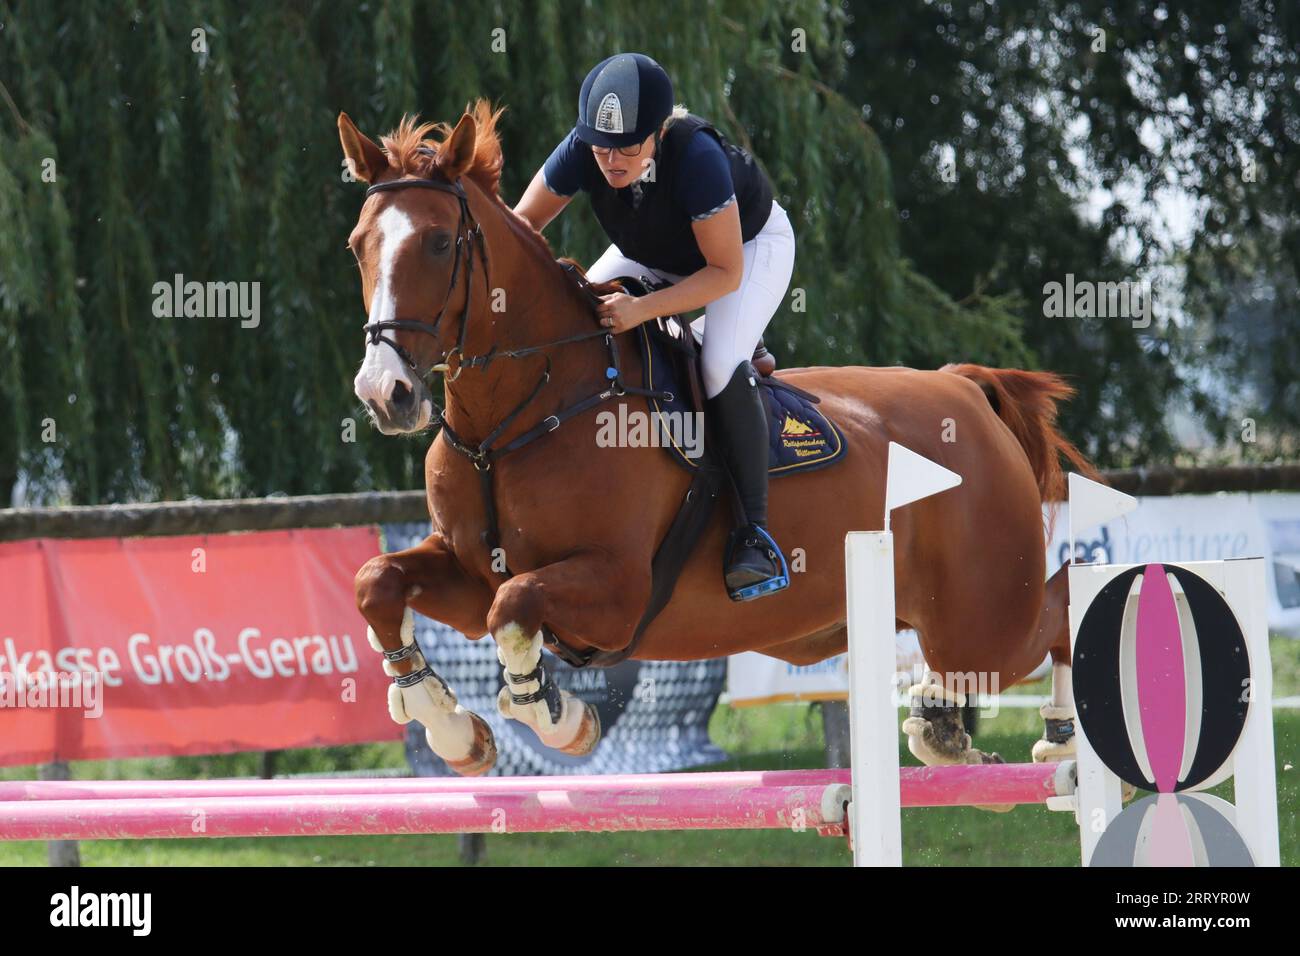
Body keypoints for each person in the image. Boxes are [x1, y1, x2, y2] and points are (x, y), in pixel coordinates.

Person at [515, 52, 796, 601]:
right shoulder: (583, 150)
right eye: (600, 148)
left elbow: (723, 271)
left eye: (627, 148)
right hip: (654, 251)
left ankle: (755, 535)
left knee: (717, 363)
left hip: (745, 252)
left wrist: (644, 310)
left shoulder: (696, 158)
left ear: (659, 132)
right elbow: (520, 227)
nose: (612, 162)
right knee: (580, 322)